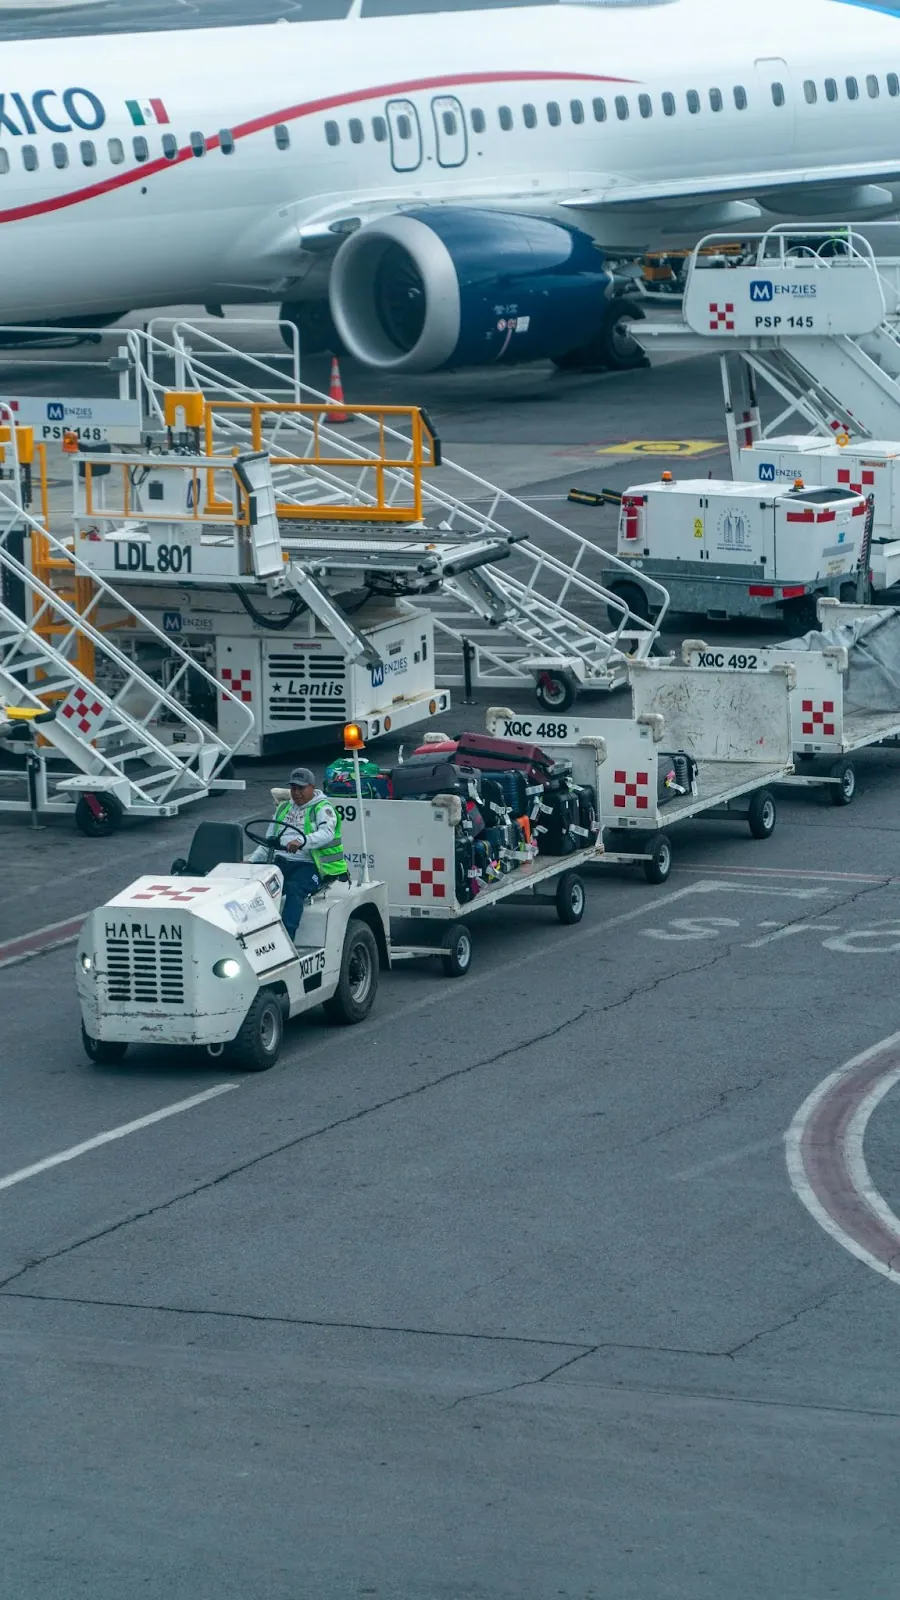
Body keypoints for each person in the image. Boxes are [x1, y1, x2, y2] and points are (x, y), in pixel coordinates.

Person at [250, 767, 347, 941]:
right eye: (294, 788)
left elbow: (327, 833)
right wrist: (251, 864)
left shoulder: (323, 808)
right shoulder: (283, 808)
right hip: (281, 861)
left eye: (301, 788)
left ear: (312, 787)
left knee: (295, 889)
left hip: (310, 865)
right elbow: (269, 842)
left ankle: (286, 938)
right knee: (255, 887)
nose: (296, 792)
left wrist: (302, 842)